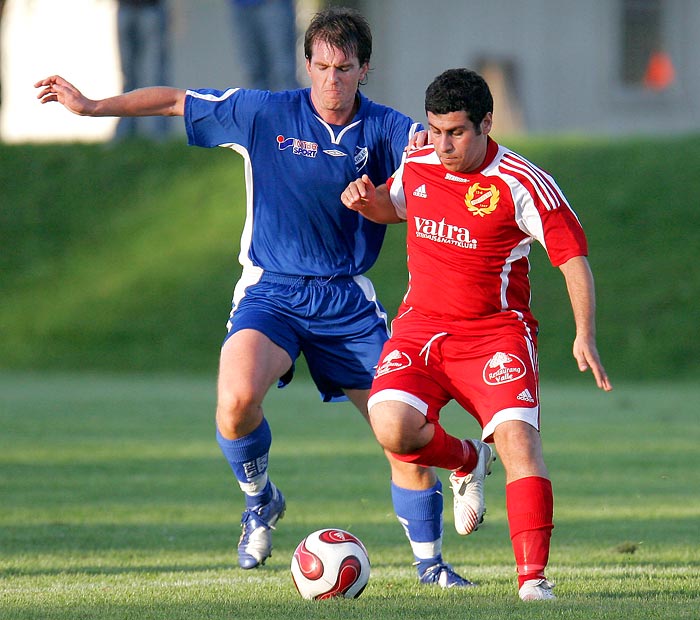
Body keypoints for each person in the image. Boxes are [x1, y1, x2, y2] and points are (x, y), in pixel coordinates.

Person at [34, 8, 485, 589]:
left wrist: (437, 162)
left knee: (401, 430)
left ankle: (431, 565)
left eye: (344, 68)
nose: (331, 80)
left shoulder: (389, 129)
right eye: (321, 66)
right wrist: (92, 107)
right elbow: (175, 100)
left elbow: (438, 167)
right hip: (271, 291)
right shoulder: (265, 113)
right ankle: (260, 500)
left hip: (346, 301)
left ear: (364, 69)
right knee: (236, 399)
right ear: (307, 64)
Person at [341, 68, 613, 601]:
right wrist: (363, 200)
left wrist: (585, 333)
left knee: (520, 444)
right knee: (392, 427)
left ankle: (532, 581)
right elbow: (396, 207)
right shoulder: (416, 162)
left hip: (496, 335)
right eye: (435, 130)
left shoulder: (521, 182)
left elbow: (572, 258)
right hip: (421, 330)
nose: (442, 145)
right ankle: (467, 459)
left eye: (457, 132)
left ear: (487, 123)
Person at [115, 0, 170, 140]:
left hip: (151, 8)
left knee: (156, 75)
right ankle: (126, 132)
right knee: (128, 75)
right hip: (125, 7)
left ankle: (160, 135)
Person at [229, 0, 299, 91]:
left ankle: (290, 105)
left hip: (274, 4)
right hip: (240, 6)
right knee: (253, 73)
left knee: (284, 71)